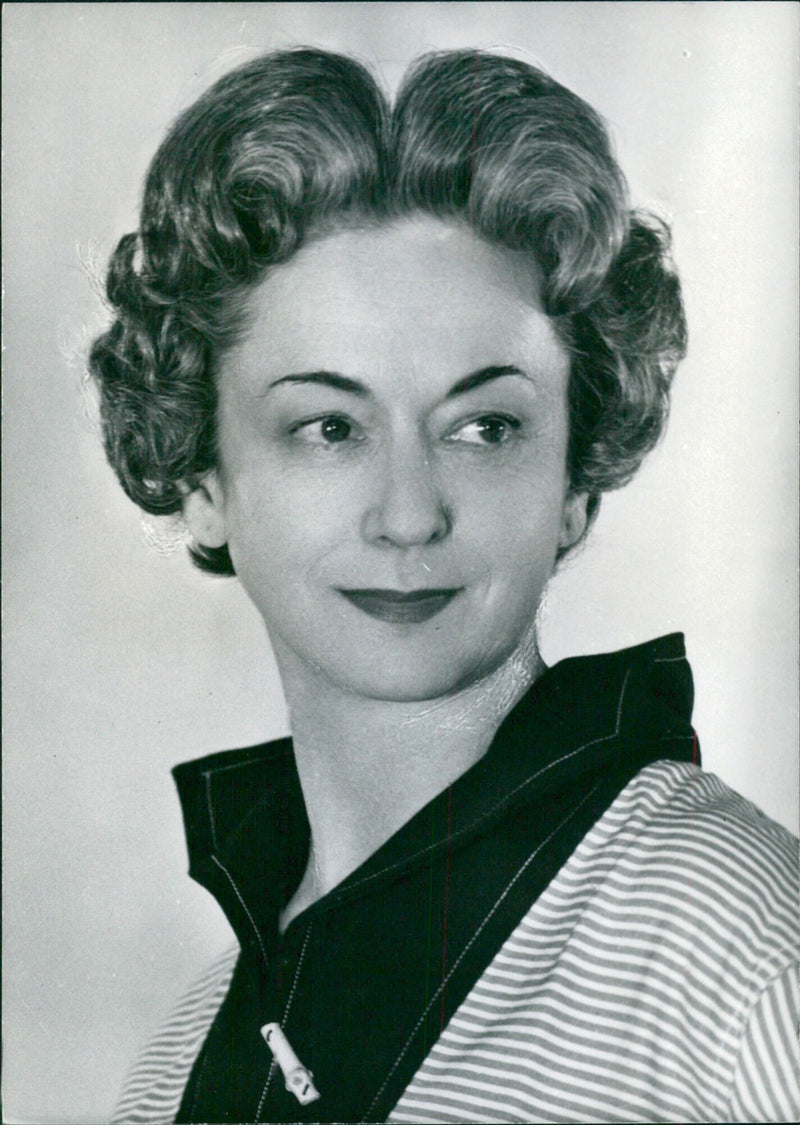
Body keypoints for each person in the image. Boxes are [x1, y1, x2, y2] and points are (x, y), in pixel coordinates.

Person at [90, 48, 798, 1124]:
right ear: (200, 481)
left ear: (575, 478)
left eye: (485, 427)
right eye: (327, 428)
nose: (410, 514)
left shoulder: (730, 944)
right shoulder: (176, 1070)